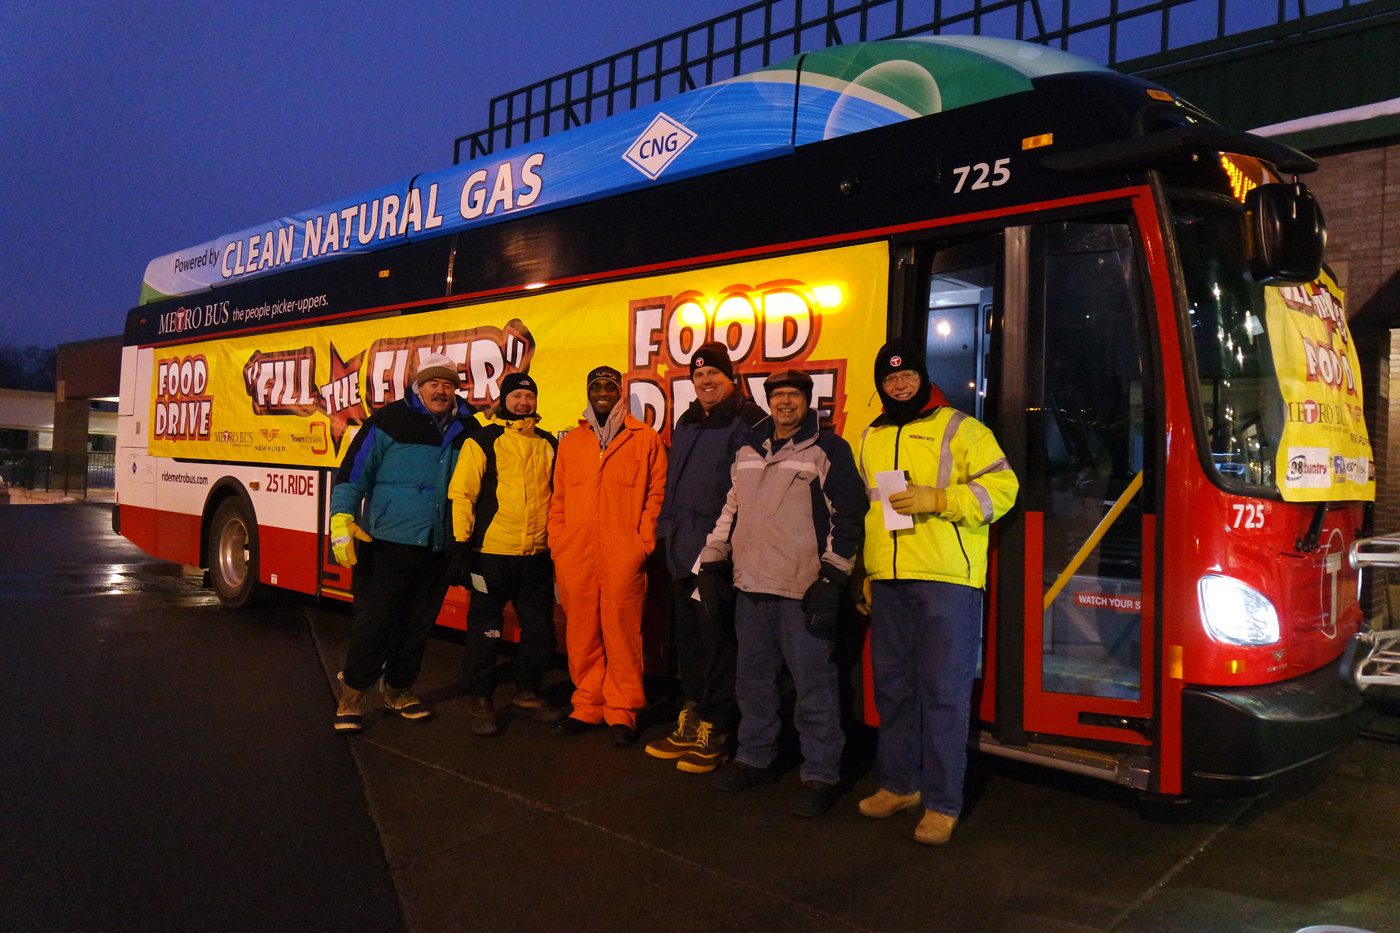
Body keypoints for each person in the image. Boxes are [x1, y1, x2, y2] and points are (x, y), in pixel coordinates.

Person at [855, 339, 1018, 845]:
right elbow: (871, 511)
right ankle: (900, 785)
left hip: (948, 580)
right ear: (881, 385)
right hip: (891, 581)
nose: (899, 384)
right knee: (894, 691)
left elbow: (1004, 488)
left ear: (923, 378)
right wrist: (868, 568)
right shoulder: (871, 437)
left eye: (907, 376)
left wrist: (941, 498)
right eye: (890, 378)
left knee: (944, 694)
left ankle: (943, 802)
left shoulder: (961, 427)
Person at [699, 369, 866, 817]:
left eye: (794, 395)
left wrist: (833, 576)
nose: (785, 403)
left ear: (807, 402)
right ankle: (754, 755)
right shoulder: (748, 448)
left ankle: (821, 773)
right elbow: (730, 509)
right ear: (769, 401)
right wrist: (713, 557)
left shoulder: (829, 449)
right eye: (778, 396)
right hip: (750, 587)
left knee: (815, 686)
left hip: (801, 589)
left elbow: (849, 516)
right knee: (752, 682)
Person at [329, 352, 476, 732]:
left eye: (448, 384)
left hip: (437, 545)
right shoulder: (389, 420)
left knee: (417, 625)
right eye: (433, 383)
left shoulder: (469, 426)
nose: (440, 391)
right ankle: (353, 694)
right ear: (419, 386)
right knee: (374, 622)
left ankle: (398, 689)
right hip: (387, 541)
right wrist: (341, 517)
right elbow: (354, 471)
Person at [647, 342, 766, 774]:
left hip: (718, 556)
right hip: (681, 551)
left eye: (713, 373)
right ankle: (692, 717)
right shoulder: (689, 421)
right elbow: (673, 487)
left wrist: (725, 551)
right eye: (698, 375)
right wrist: (664, 533)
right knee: (691, 643)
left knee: (719, 645)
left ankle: (715, 728)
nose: (706, 381)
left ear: (730, 377)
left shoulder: (748, 420)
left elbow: (752, 494)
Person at [548, 365, 667, 745]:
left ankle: (622, 711)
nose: (603, 392)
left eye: (609, 387)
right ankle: (587, 704)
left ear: (620, 393)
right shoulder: (571, 442)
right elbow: (559, 498)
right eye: (596, 387)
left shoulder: (644, 438)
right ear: (588, 393)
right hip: (575, 554)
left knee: (622, 632)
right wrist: (559, 543)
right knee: (581, 633)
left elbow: (656, 496)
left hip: (622, 552)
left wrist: (641, 542)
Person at [447, 371, 566, 736]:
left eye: (529, 397)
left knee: (540, 630)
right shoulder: (482, 440)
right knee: (486, 629)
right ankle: (480, 697)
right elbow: (462, 494)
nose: (523, 402)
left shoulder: (547, 443)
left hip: (536, 556)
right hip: (491, 555)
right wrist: (460, 547)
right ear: (503, 400)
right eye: (516, 396)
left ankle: (527, 694)